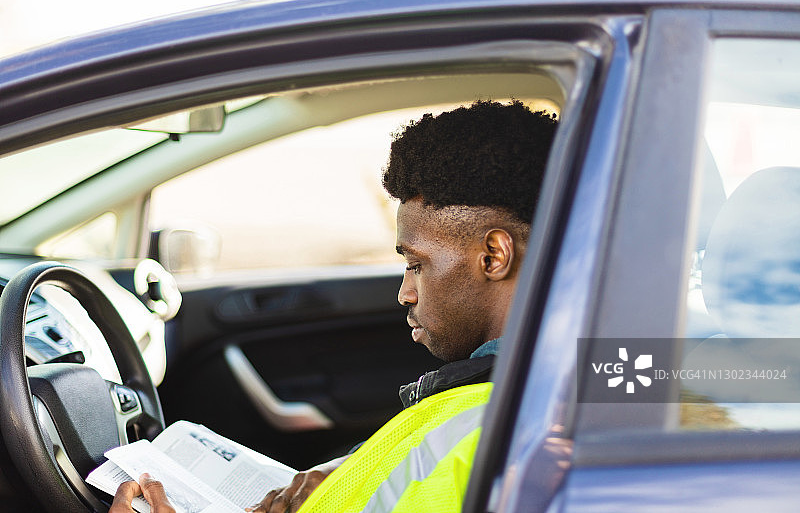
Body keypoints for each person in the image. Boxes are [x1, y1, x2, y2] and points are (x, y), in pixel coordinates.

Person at [111, 100, 557, 513]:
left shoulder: (479, 431)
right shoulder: (579, 380)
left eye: (416, 264)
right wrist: (347, 467)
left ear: (494, 256)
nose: (405, 293)